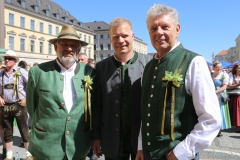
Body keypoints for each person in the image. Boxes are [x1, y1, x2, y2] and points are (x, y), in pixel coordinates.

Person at [138, 4, 221, 160]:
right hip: (149, 154)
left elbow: (211, 119)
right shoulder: (148, 66)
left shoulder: (194, 62)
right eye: (153, 28)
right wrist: (141, 146)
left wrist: (180, 153)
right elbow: (146, 112)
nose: (159, 33)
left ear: (177, 29)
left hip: (177, 155)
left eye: (165, 27)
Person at [26, 25, 95, 160]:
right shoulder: (38, 72)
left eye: (73, 45)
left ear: (78, 49)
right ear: (55, 47)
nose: (69, 48)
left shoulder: (89, 72)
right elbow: (31, 107)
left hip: (77, 146)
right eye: (64, 44)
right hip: (45, 147)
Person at [91, 17, 151, 160]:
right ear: (111, 39)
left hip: (141, 139)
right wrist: (96, 137)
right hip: (112, 138)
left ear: (132, 36)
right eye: (115, 37)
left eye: (124, 36)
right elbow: (97, 105)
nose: (120, 40)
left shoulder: (148, 63)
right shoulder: (101, 67)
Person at [0, 50, 32, 160]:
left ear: (14, 61)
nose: (6, 60)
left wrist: (26, 98)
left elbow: (31, 85)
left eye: (9, 58)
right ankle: (9, 155)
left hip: (19, 104)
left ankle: (29, 154)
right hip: (6, 106)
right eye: (5, 58)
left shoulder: (21, 71)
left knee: (24, 129)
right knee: (7, 131)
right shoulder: (1, 74)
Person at [211, 61, 231, 137]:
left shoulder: (224, 75)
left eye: (220, 67)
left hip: (221, 95)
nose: (219, 68)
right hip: (213, 95)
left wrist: (215, 92)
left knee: (220, 112)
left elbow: (224, 86)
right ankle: (213, 129)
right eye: (217, 67)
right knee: (213, 112)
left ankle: (219, 129)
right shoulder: (212, 74)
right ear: (214, 68)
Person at [228, 63, 240, 132]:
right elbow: (229, 86)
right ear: (235, 68)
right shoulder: (232, 75)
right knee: (237, 111)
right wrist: (238, 84)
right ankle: (237, 126)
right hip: (236, 96)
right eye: (239, 68)